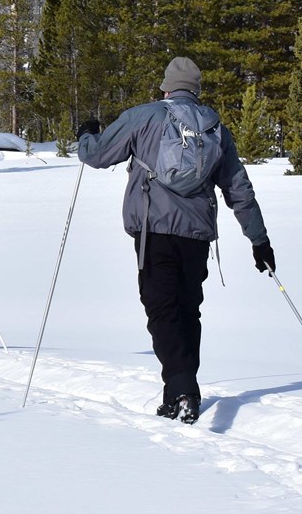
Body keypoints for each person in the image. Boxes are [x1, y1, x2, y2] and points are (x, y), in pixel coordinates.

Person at [76, 56, 273, 425]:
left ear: (166, 86)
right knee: (187, 309)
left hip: (154, 229)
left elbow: (98, 155)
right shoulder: (215, 127)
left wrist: (86, 133)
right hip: (197, 233)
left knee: (161, 309)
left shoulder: (144, 116)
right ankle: (177, 394)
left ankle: (183, 391)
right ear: (196, 90)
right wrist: (259, 240)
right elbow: (238, 189)